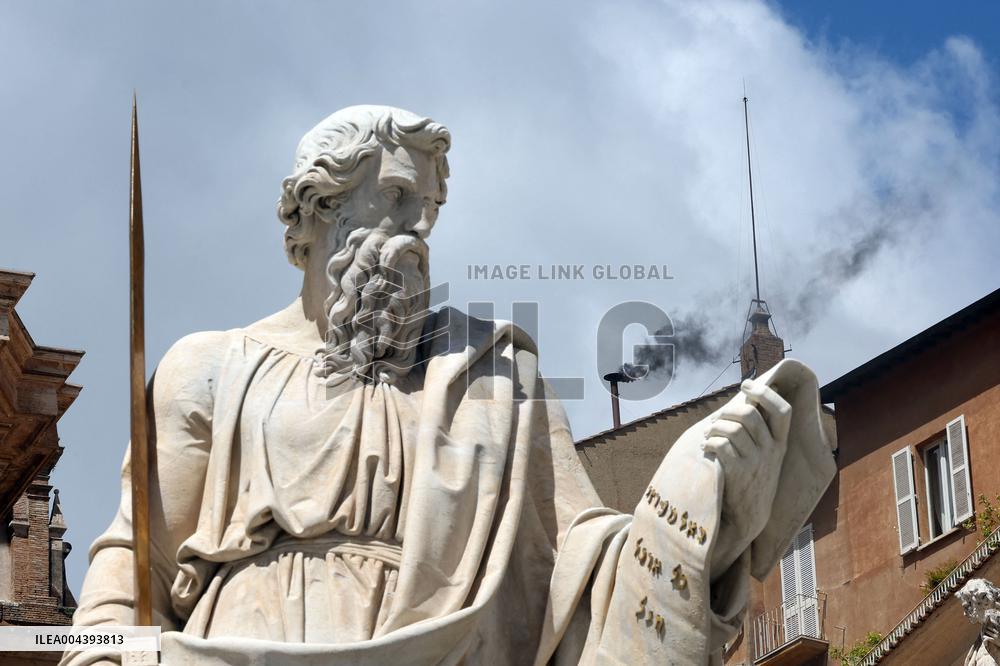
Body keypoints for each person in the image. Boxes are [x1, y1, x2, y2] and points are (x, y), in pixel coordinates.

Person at [65, 105, 835, 665]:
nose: (418, 228)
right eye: (398, 198)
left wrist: (694, 507)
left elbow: (574, 563)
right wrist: (98, 653)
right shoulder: (210, 366)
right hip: (244, 645)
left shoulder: (495, 374)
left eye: (429, 208)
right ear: (320, 207)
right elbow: (139, 560)